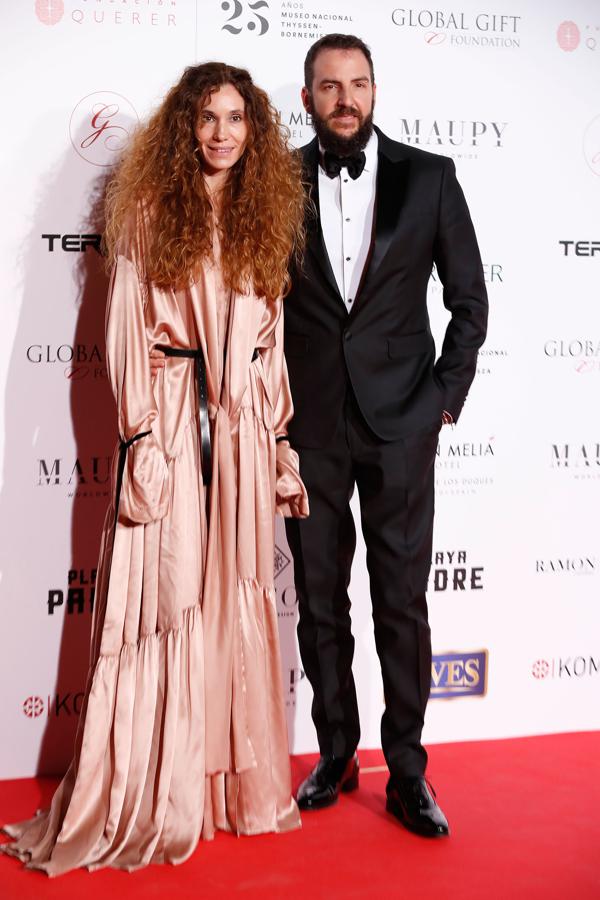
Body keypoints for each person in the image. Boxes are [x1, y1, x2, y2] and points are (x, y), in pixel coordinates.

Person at [1, 62, 308, 875]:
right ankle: (156, 788)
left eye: (236, 118)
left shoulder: (262, 214)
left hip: (239, 431)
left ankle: (220, 790)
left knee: (230, 596)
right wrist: (139, 440)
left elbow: (269, 338)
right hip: (171, 421)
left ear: (255, 131)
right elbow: (127, 332)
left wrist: (277, 440)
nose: (221, 133)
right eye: (207, 117)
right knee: (164, 601)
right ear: (185, 126)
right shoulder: (145, 212)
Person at [283, 34, 488, 836]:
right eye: (329, 86)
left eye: (358, 83)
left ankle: (408, 771)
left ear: (374, 90)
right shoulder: (275, 183)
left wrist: (444, 399)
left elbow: (469, 301)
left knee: (400, 601)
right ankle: (337, 753)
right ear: (307, 98)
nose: (345, 98)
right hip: (310, 425)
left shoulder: (431, 178)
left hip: (404, 423)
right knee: (319, 602)